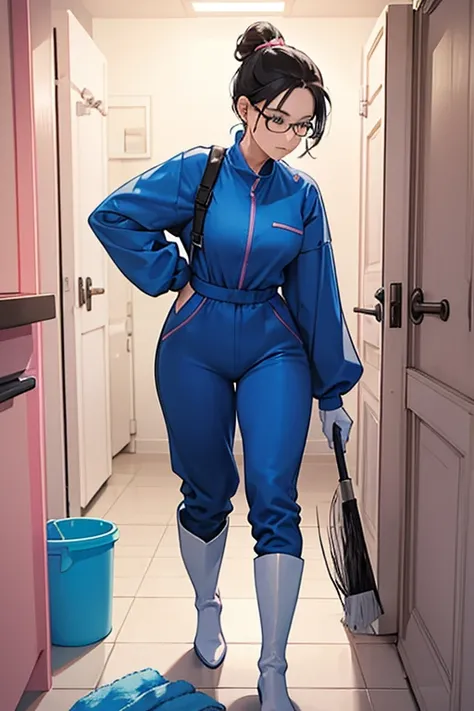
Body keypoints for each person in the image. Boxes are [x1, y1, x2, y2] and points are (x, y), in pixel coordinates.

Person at [88, 21, 363, 711]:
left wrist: (332, 387)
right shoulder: (199, 170)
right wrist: (171, 273)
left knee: (275, 496)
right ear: (245, 108)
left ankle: (272, 672)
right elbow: (113, 216)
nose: (290, 134)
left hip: (273, 340)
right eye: (279, 118)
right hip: (195, 334)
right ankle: (207, 605)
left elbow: (317, 291)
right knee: (206, 487)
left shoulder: (302, 197)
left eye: (303, 125)